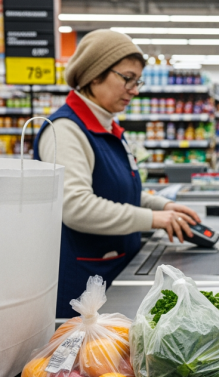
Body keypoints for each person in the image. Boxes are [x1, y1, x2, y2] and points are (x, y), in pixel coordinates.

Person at [35, 30, 201, 318]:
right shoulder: (66, 130)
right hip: (82, 292)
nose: (135, 90)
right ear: (94, 74)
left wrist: (163, 205)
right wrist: (153, 219)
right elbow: (75, 207)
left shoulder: (109, 128)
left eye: (138, 81)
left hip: (111, 277)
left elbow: (119, 189)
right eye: (127, 78)